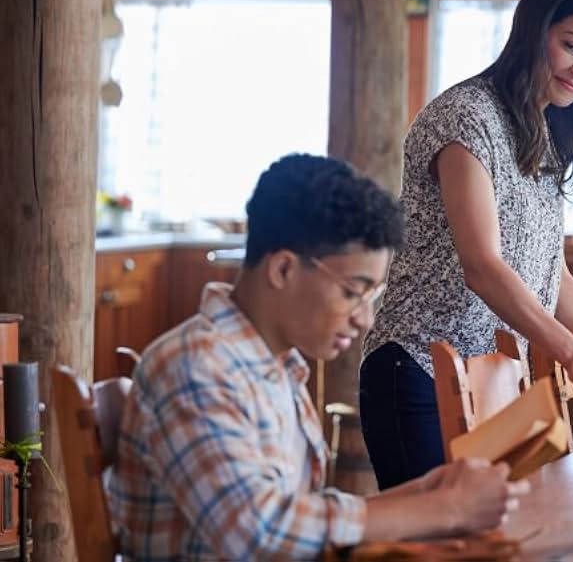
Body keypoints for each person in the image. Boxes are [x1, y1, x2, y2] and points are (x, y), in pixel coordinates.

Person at [361, 0, 573, 490]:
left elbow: (549, 275)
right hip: (417, 372)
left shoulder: (542, 128)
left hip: (492, 382)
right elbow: (483, 268)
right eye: (572, 45)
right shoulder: (465, 118)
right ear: (534, 31)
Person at [108, 154, 529, 560]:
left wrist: (429, 493)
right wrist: (446, 509)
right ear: (283, 270)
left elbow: (296, 512)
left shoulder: (276, 366)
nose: (365, 319)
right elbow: (261, 533)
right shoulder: (195, 368)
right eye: (352, 292)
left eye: (372, 296)